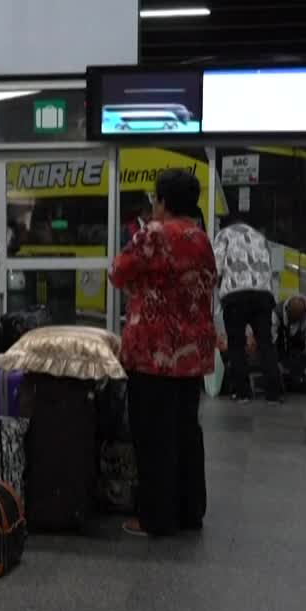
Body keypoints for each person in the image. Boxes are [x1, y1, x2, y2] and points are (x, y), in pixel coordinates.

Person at [110, 168, 216, 538]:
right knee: (186, 433)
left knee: (153, 438)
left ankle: (157, 518)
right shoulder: (201, 238)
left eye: (156, 199)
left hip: (154, 355)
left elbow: (118, 272)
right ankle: (191, 511)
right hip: (191, 357)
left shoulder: (154, 234)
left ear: (163, 201)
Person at [213, 213, 281, 404]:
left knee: (236, 344)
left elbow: (216, 268)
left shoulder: (223, 235)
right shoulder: (260, 237)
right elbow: (269, 268)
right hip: (262, 295)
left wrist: (219, 287)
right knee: (265, 343)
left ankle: (242, 393)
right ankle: (273, 394)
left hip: (235, 296)